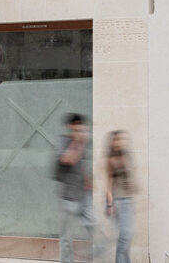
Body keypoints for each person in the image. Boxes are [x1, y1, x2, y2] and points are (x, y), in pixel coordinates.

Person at [54, 112, 92, 263]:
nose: (79, 131)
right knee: (66, 238)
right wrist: (77, 142)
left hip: (84, 196)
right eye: (75, 127)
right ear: (69, 128)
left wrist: (89, 182)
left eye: (81, 127)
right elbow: (67, 159)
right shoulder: (63, 142)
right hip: (68, 197)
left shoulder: (83, 143)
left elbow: (82, 166)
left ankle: (89, 257)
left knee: (97, 231)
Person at [105, 130, 135, 263]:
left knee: (126, 236)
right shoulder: (110, 160)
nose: (118, 142)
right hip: (117, 201)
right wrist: (110, 204)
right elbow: (109, 184)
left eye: (120, 139)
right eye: (116, 140)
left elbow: (130, 178)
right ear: (112, 142)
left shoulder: (126, 155)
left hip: (127, 200)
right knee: (124, 235)